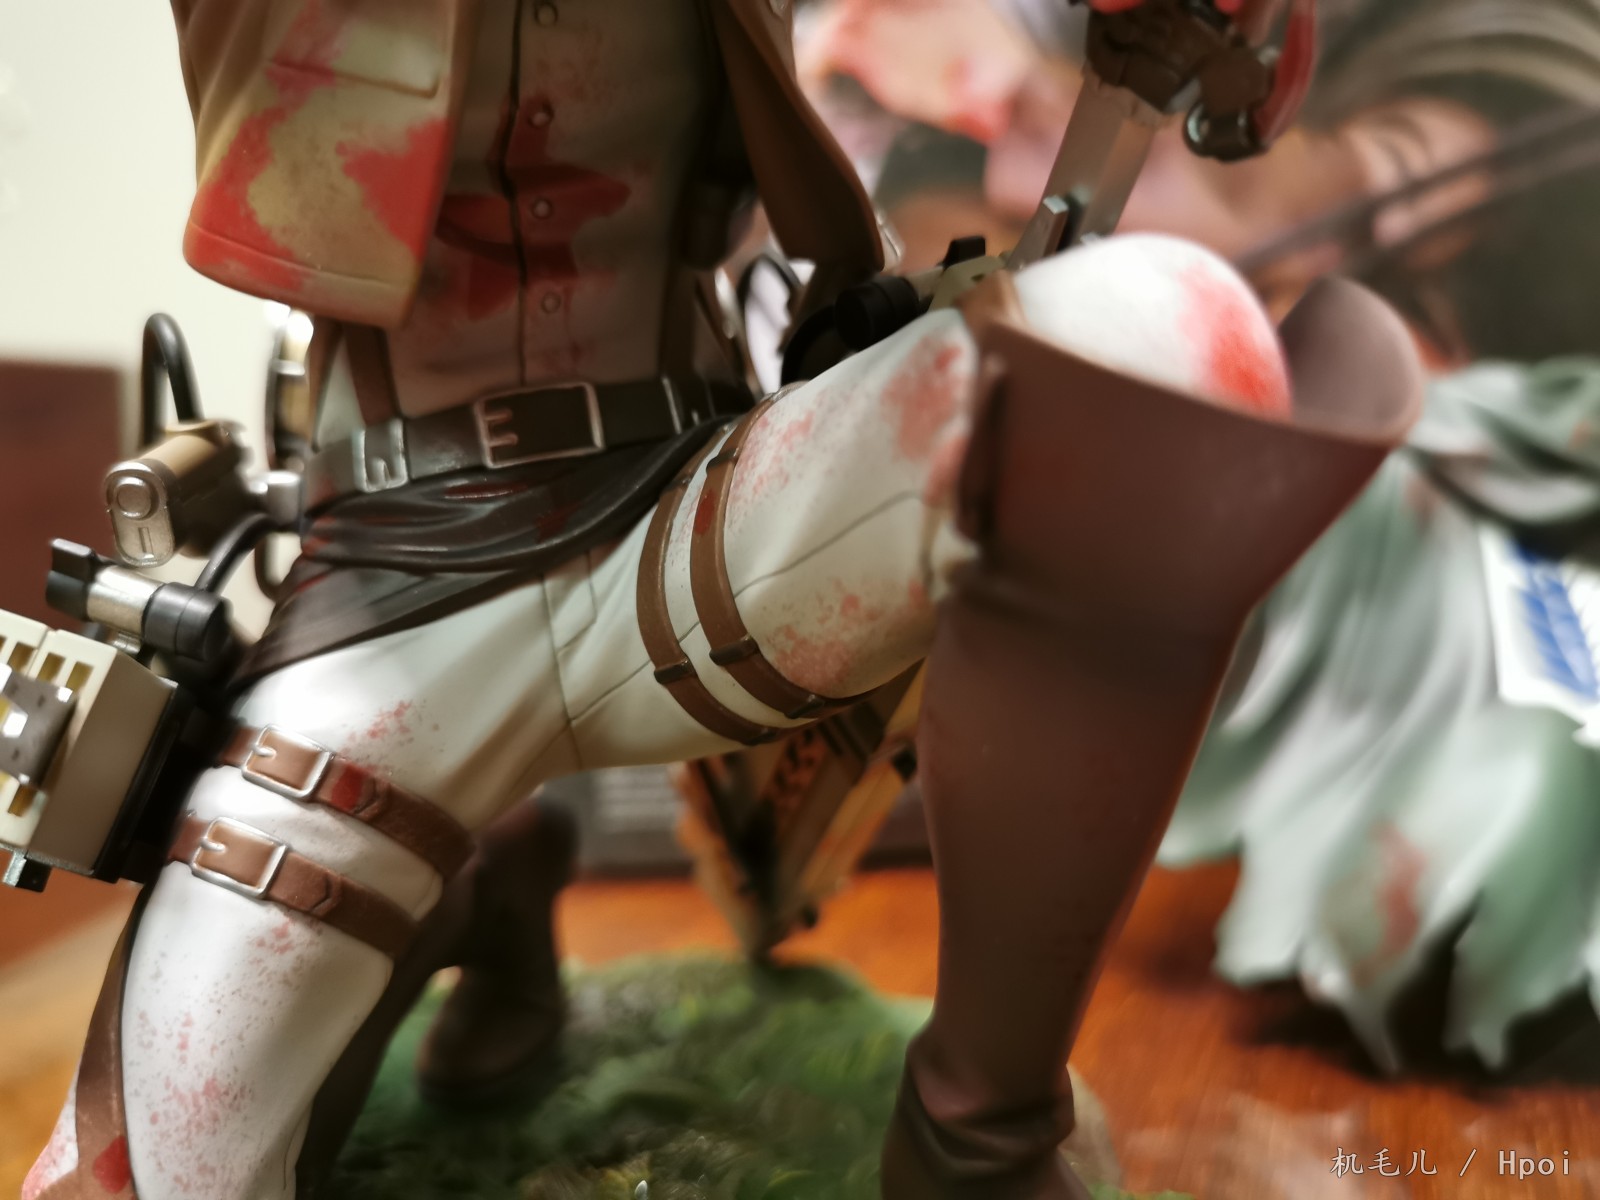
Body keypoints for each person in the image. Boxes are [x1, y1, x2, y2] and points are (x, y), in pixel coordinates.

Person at [22, 2, 1419, 1198]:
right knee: (149, 1170)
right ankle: (484, 883)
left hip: (692, 509)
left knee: (1160, 336)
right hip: (393, 597)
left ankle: (979, 1135)